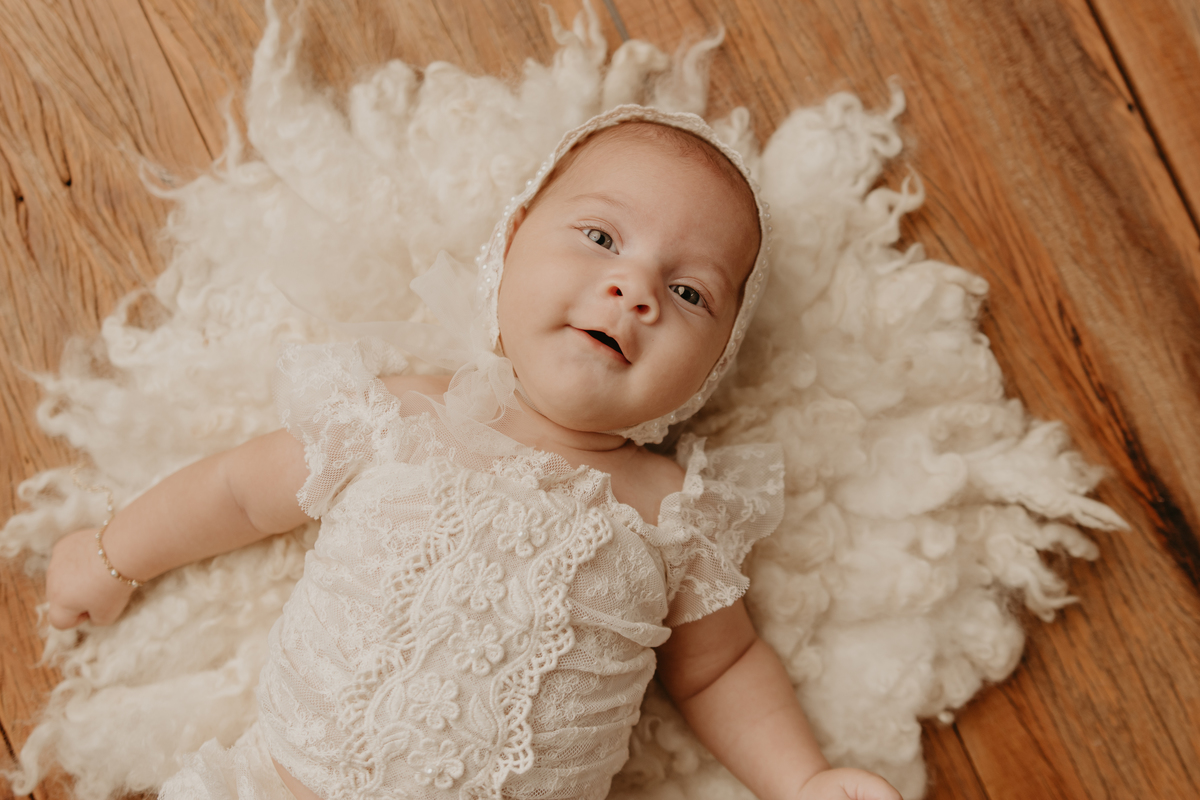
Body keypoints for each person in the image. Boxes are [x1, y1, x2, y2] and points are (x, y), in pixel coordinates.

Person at [42, 105, 900, 800]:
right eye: (601, 238)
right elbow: (237, 493)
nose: (634, 290)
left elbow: (722, 670)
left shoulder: (670, 513)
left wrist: (805, 778)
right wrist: (113, 555)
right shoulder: (405, 412)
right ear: (512, 239)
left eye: (688, 292)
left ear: (715, 363)